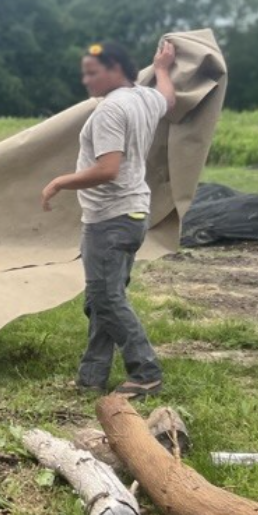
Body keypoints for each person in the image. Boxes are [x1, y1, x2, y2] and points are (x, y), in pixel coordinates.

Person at [41, 39, 176, 398]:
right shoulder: (144, 98)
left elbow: (108, 169)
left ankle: (145, 372)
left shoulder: (109, 112)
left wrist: (60, 182)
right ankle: (92, 376)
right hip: (132, 213)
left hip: (110, 218)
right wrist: (161, 69)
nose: (86, 80)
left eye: (92, 73)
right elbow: (169, 99)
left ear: (116, 70)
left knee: (105, 298)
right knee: (102, 296)